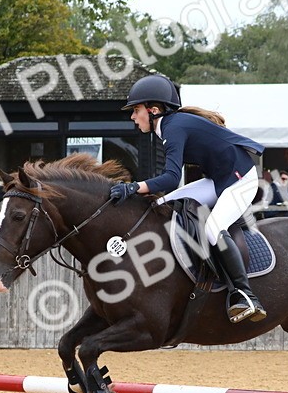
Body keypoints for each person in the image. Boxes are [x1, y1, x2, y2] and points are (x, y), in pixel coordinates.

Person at [112, 74, 267, 324]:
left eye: (136, 110)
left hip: (241, 179)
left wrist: (132, 187)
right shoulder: (170, 127)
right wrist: (138, 189)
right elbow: (170, 186)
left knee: (213, 227)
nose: (132, 116)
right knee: (163, 204)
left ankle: (245, 295)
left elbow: (171, 178)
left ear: (153, 110)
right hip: (219, 180)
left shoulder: (173, 129)